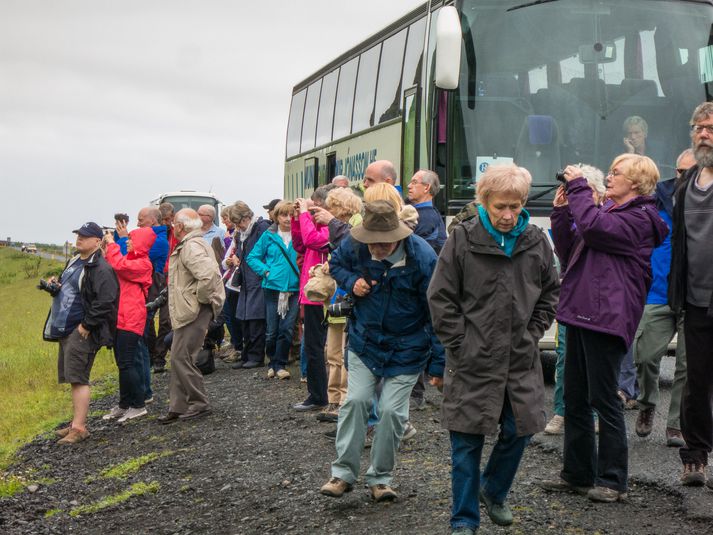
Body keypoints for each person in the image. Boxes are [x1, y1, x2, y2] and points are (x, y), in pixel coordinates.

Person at [428, 164, 559, 533]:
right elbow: (440, 297)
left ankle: (493, 489)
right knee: (466, 444)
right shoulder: (462, 239)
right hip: (472, 359)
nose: (507, 215)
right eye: (500, 206)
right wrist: (460, 343)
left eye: (515, 207)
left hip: (519, 357)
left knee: (523, 428)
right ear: (483, 201)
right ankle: (463, 522)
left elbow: (551, 290)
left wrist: (534, 331)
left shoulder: (536, 240)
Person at [542, 154, 667, 503]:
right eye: (609, 172)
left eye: (617, 173)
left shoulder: (641, 219)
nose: (609, 178)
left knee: (604, 399)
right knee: (575, 398)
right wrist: (563, 211)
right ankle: (577, 474)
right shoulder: (607, 213)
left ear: (638, 184)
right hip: (581, 311)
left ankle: (613, 480)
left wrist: (579, 184)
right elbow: (570, 253)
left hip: (606, 319)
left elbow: (595, 231)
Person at [320, 200, 441, 502]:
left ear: (398, 236)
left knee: (391, 411)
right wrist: (352, 281)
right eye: (371, 241)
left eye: (384, 242)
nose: (376, 247)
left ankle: (381, 478)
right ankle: (343, 474)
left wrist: (439, 362)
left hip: (409, 345)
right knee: (356, 401)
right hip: (365, 339)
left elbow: (438, 310)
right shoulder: (355, 242)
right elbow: (336, 264)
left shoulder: (423, 256)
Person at [633, 149, 695, 447]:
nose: (684, 177)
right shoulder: (656, 198)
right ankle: (646, 403)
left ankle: (676, 424)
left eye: (691, 171)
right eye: (680, 171)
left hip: (694, 295)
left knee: (687, 365)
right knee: (645, 356)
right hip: (657, 291)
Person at [669, 102, 713, 487]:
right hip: (696, 302)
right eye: (698, 127)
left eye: (710, 127)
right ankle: (695, 457)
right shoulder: (686, 184)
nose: (703, 133)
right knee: (695, 382)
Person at [544, 164, 607, 435]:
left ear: (599, 194)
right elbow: (564, 251)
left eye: (586, 191)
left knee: (593, 362)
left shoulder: (602, 219)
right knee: (563, 356)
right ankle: (561, 411)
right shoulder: (571, 218)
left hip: (596, 303)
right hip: (571, 301)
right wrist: (559, 212)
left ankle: (593, 412)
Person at [43, 222, 119, 444]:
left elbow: (106, 301)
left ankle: (79, 428)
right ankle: (75, 423)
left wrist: (86, 326)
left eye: (85, 237)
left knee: (79, 378)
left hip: (81, 330)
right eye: (78, 235)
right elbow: (72, 289)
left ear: (97, 241)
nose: (79, 239)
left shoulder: (102, 268)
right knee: (71, 377)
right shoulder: (75, 260)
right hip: (65, 328)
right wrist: (54, 285)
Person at [159, 209, 225, 423]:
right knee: (178, 356)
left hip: (193, 311)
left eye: (174, 224)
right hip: (190, 310)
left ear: (180, 226)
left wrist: (199, 301)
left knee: (181, 357)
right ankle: (178, 406)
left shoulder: (190, 246)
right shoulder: (193, 243)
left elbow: (208, 276)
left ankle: (198, 403)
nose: (172, 228)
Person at [310, 187, 363, 422]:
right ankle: (333, 400)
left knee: (343, 352)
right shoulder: (336, 229)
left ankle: (342, 400)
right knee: (331, 351)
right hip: (336, 297)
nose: (326, 211)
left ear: (340, 207)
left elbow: (352, 251)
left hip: (348, 297)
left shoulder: (355, 225)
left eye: (330, 206)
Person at [103, 226, 156, 424]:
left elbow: (118, 265)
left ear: (141, 243)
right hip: (121, 317)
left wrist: (111, 244)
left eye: (131, 239)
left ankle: (138, 405)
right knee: (122, 363)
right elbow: (113, 263)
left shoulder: (143, 264)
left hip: (131, 318)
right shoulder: (133, 259)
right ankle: (125, 404)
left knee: (128, 362)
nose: (128, 242)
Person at [115, 207, 169, 397]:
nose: (136, 224)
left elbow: (123, 262)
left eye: (140, 220)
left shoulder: (158, 240)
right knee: (139, 343)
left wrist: (122, 240)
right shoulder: (151, 236)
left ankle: (143, 392)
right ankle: (138, 393)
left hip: (144, 296)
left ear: (153, 222)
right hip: (134, 299)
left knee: (140, 344)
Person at [291, 184, 336, 411]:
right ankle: (317, 393)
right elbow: (299, 244)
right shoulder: (316, 223)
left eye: (316, 206)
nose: (313, 210)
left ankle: (320, 396)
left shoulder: (332, 227)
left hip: (322, 294)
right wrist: (296, 219)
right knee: (312, 346)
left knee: (319, 347)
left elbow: (312, 241)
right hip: (311, 293)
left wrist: (307, 216)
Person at [246, 201, 300, 379]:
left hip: (293, 288)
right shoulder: (268, 236)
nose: (287, 218)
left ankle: (280, 364)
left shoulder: (299, 234)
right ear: (276, 217)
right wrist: (266, 271)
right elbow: (252, 257)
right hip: (272, 288)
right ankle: (272, 361)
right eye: (283, 215)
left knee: (287, 329)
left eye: (291, 214)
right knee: (271, 331)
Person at [226, 201, 271, 369]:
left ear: (246, 217)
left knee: (256, 318)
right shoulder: (241, 233)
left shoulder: (261, 227)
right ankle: (246, 355)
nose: (238, 227)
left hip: (258, 278)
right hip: (246, 279)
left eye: (239, 222)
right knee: (244, 318)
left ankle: (256, 356)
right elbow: (240, 250)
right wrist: (236, 257)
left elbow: (267, 251)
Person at [407, 169, 447, 253]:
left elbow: (411, 251)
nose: (409, 186)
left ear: (426, 188)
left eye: (414, 182)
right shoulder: (430, 212)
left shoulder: (426, 218)